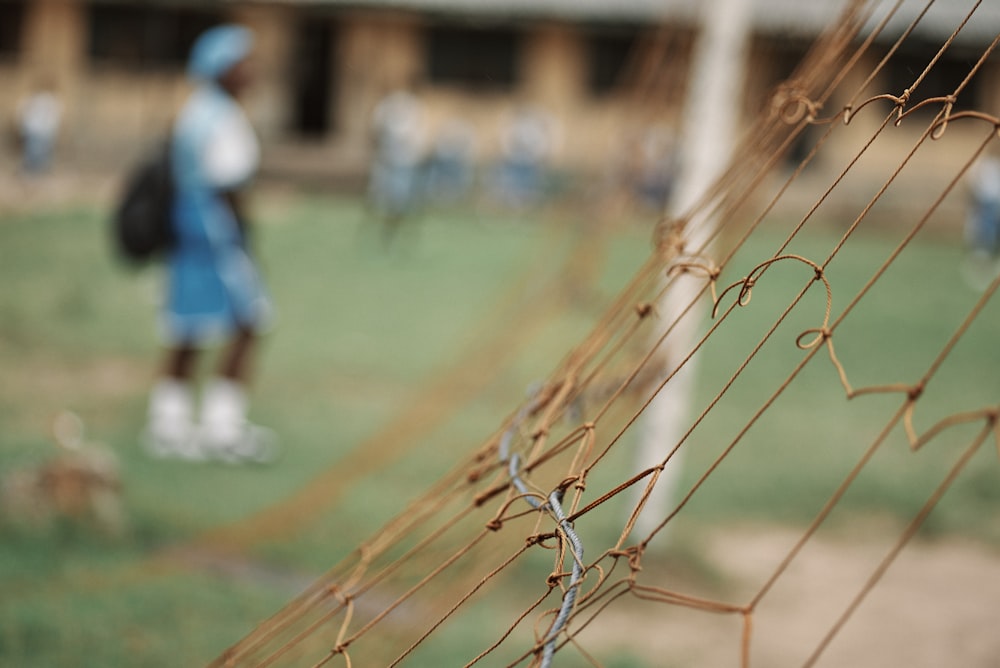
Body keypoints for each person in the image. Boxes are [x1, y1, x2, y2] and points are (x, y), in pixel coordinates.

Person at [144, 24, 275, 463]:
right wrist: (244, 242)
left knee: (188, 324)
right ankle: (222, 429)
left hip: (187, 230)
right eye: (243, 63)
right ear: (221, 69)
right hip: (215, 232)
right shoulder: (221, 117)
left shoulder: (195, 110)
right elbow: (228, 185)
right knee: (249, 321)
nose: (251, 70)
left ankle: (169, 425)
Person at [16, 80, 61, 176]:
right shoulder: (51, 100)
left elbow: (22, 113)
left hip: (35, 129)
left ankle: (34, 172)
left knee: (34, 152)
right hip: (41, 130)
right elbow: (53, 117)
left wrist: (23, 127)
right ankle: (35, 172)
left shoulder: (34, 98)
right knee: (37, 153)